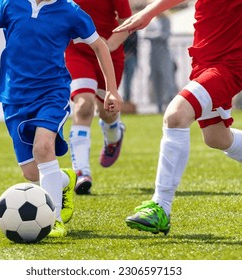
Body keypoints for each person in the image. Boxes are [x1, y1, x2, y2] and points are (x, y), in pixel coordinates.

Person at [114, 0, 242, 235]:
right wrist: (149, 12)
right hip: (202, 65)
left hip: (229, 67)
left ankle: (160, 207)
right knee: (216, 137)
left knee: (176, 115)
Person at [0, 0, 122, 237]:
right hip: (14, 96)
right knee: (33, 174)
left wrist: (111, 89)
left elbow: (100, 46)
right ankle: (63, 179)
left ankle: (54, 220)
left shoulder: (70, 10)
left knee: (44, 147)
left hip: (51, 93)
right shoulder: (10, 3)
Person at [65, 0, 132, 195]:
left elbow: (128, 20)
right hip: (77, 51)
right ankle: (81, 173)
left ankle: (114, 133)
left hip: (108, 53)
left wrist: (109, 44)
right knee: (83, 106)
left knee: (107, 112)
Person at [143, 11, 177, 114]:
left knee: (167, 79)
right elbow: (145, 35)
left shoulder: (165, 20)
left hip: (164, 54)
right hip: (153, 55)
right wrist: (155, 35)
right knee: (155, 79)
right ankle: (159, 105)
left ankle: (171, 103)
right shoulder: (151, 21)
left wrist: (152, 36)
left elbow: (164, 35)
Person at [122, 31, 139, 113]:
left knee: (128, 81)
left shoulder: (134, 31)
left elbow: (134, 44)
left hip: (131, 57)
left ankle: (127, 99)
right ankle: (124, 99)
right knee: (121, 81)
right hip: (122, 57)